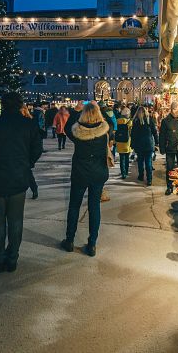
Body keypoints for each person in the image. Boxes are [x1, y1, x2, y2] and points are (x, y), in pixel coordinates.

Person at [0, 92, 43, 273]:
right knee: (16, 221)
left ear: (3, 105)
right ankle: (12, 258)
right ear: (20, 105)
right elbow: (37, 149)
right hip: (18, 179)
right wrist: (27, 163)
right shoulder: (29, 124)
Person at [61, 102, 110, 257]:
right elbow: (110, 121)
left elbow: (67, 128)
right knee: (94, 207)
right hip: (98, 174)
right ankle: (92, 244)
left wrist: (76, 111)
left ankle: (69, 240)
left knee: (74, 206)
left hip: (80, 174)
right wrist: (99, 108)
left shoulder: (77, 132)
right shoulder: (104, 131)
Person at [159, 102, 178, 195]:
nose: (176, 111)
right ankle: (169, 187)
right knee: (170, 168)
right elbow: (162, 135)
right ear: (171, 110)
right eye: (174, 109)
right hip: (170, 147)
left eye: (177, 109)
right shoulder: (165, 121)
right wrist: (162, 148)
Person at [130, 106, 158, 186]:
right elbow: (154, 132)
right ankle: (149, 179)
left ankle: (141, 176)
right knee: (148, 162)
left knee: (140, 161)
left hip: (139, 145)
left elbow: (133, 134)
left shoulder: (136, 121)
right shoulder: (150, 120)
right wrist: (156, 142)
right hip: (148, 144)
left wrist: (132, 144)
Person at [20, 103, 41, 199]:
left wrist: (32, 160)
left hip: (25, 154)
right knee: (27, 173)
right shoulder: (30, 121)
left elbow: (37, 145)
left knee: (27, 173)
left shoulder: (29, 122)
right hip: (24, 153)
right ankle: (34, 189)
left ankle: (34, 189)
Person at [115, 107, 132, 179]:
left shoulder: (117, 121)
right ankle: (126, 171)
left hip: (119, 142)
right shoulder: (129, 122)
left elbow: (115, 131)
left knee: (121, 158)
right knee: (127, 158)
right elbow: (131, 133)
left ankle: (123, 173)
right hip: (127, 142)